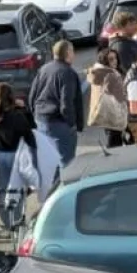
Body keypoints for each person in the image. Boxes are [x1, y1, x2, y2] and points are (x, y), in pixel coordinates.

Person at [29, 40, 84, 174]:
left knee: (49, 163)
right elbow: (67, 104)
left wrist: (35, 115)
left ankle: (50, 190)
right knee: (66, 163)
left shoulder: (44, 69)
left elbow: (32, 96)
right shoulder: (68, 73)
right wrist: (72, 124)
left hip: (41, 120)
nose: (74, 54)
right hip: (58, 123)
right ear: (68, 53)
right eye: (72, 51)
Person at [0, 82, 34, 231]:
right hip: (17, 154)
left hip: (1, 154)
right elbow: (30, 131)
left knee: (3, 189)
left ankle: (6, 221)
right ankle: (17, 220)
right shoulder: (17, 116)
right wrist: (24, 110)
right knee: (17, 190)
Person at [87, 51, 129, 148]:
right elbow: (120, 97)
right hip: (115, 113)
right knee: (115, 142)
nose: (115, 61)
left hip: (105, 112)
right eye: (111, 59)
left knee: (112, 138)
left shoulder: (97, 73)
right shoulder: (112, 75)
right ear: (105, 62)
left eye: (115, 58)